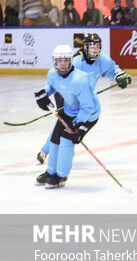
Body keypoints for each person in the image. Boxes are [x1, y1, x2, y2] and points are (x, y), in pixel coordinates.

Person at [36, 34, 132, 165]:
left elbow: (112, 69)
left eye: (96, 47)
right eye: (90, 47)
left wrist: (120, 75)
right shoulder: (75, 61)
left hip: (84, 100)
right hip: (65, 94)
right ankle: (46, 151)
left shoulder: (103, 60)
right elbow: (58, 78)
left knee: (74, 130)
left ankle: (57, 152)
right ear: (85, 48)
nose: (93, 50)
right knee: (64, 122)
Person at [33, 45, 99, 188]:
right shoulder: (52, 74)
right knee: (55, 138)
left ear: (70, 61)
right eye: (59, 60)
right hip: (69, 110)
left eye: (65, 60)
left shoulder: (81, 79)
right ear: (55, 61)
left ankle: (61, 175)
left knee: (67, 140)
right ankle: (51, 172)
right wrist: (44, 94)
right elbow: (51, 86)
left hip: (89, 114)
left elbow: (88, 107)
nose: (62, 63)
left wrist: (80, 126)